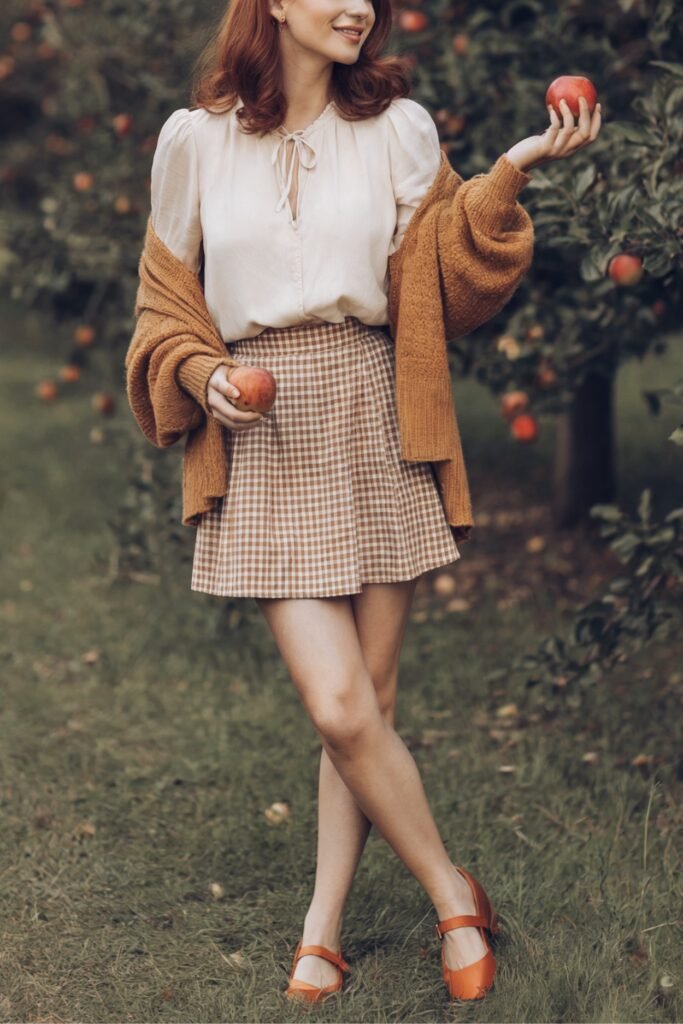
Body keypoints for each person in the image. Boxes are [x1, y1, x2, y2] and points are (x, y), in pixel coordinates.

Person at [147, 0, 602, 1003]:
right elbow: (165, 302)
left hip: (371, 407)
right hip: (264, 427)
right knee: (338, 703)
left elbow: (442, 278)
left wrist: (513, 167)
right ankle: (452, 895)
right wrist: (202, 374)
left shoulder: (396, 129)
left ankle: (322, 930)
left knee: (370, 702)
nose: (359, 6)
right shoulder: (195, 142)